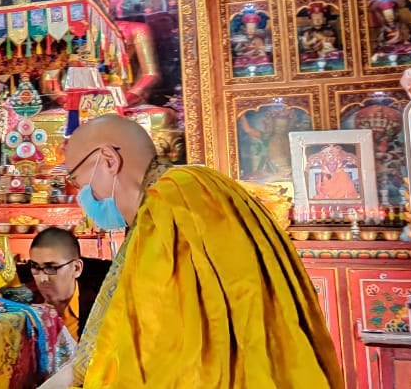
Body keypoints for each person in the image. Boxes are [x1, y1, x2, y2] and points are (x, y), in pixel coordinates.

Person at [40, 114, 341, 389]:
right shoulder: (187, 190)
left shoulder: (175, 199)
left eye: (75, 180)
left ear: (108, 160)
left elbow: (162, 339)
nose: (81, 195)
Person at [23, 228, 111, 342]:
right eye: (35, 267)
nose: (42, 278)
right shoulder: (24, 306)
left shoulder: (102, 309)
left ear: (76, 268)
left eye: (51, 268)